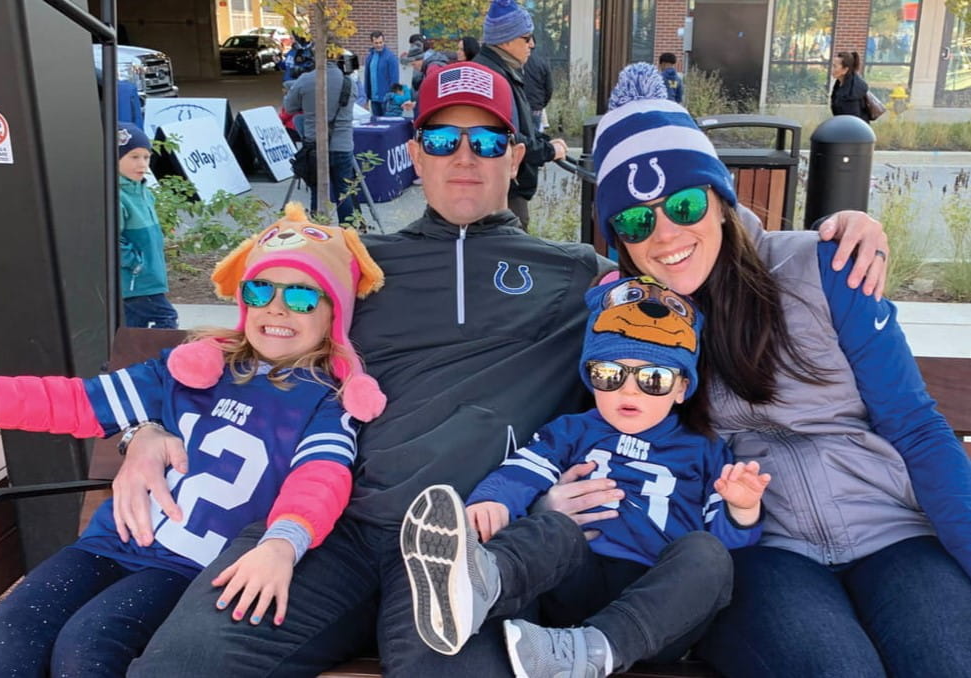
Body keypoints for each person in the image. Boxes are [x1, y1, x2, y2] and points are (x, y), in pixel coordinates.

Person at [121, 65, 890, 677]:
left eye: (488, 143)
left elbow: (685, 262)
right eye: (444, 139)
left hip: (478, 552)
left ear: (516, 156)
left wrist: (830, 231)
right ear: (412, 150)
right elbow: (254, 340)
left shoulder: (571, 274)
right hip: (340, 529)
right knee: (185, 660)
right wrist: (147, 426)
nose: (465, 158)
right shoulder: (352, 264)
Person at [549, 93, 971, 677]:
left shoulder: (823, 270)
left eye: (685, 202)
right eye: (638, 219)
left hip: (891, 530)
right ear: (619, 238)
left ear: (720, 201)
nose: (666, 233)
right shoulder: (629, 320)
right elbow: (603, 427)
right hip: (759, 546)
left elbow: (916, 425)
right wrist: (550, 502)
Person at [0, 204, 387, 678]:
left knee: (90, 641)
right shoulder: (190, 369)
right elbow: (81, 402)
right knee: (14, 627)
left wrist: (281, 542)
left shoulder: (328, 399)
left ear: (334, 313)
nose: (277, 308)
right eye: (261, 289)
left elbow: (320, 479)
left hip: (191, 566)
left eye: (303, 297)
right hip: (109, 542)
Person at [401, 275, 771, 677]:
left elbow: (727, 539)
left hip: (656, 610)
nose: (629, 392)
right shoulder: (573, 431)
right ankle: (480, 585)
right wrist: (492, 501)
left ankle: (592, 651)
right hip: (577, 580)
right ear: (590, 376)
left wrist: (742, 507)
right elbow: (524, 469)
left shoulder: (705, 451)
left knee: (708, 554)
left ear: (681, 388)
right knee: (554, 526)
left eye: (653, 379)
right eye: (611, 375)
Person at [474, 0, 568, 230]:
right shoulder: (494, 79)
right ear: (506, 40)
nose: (532, 45)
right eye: (526, 38)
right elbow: (509, 139)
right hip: (502, 195)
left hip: (504, 190)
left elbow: (518, 130)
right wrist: (548, 151)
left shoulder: (499, 70)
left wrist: (543, 142)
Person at [283, 56, 359, 224]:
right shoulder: (349, 82)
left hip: (314, 146)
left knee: (317, 192)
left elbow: (289, 108)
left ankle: (319, 232)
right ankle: (348, 233)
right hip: (343, 145)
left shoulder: (305, 80)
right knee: (344, 192)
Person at [117, 122, 178, 329]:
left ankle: (133, 361)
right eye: (133, 157)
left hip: (147, 279)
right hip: (136, 283)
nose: (142, 164)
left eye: (146, 157)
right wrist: (135, 263)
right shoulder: (118, 197)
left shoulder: (143, 192)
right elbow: (109, 239)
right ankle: (163, 361)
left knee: (135, 330)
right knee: (165, 320)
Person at [364, 31, 399, 116]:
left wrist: (392, 98)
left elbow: (394, 79)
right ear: (372, 43)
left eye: (381, 42)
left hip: (386, 100)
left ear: (384, 41)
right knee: (377, 124)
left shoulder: (390, 57)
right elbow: (367, 79)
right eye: (376, 43)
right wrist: (366, 98)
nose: (379, 45)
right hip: (374, 99)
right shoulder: (370, 58)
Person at [523, 35, 553, 133]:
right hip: (536, 105)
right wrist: (541, 104)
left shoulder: (516, 62)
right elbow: (549, 88)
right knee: (535, 135)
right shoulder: (542, 62)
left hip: (521, 104)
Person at [831, 51, 871, 122]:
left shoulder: (851, 93)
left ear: (845, 70)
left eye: (835, 66)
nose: (832, 70)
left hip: (855, 130)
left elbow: (853, 121)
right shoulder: (839, 84)